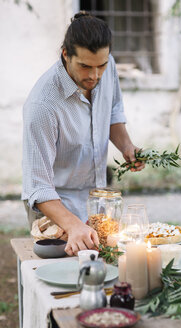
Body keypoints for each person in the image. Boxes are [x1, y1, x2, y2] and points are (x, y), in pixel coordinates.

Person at [22, 11, 144, 256]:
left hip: (98, 202)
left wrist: (127, 147)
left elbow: (112, 111)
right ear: (66, 54)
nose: (94, 75)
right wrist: (73, 225)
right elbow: (38, 187)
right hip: (56, 211)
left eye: (101, 65)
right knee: (66, 284)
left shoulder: (105, 70)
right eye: (85, 66)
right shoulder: (43, 105)